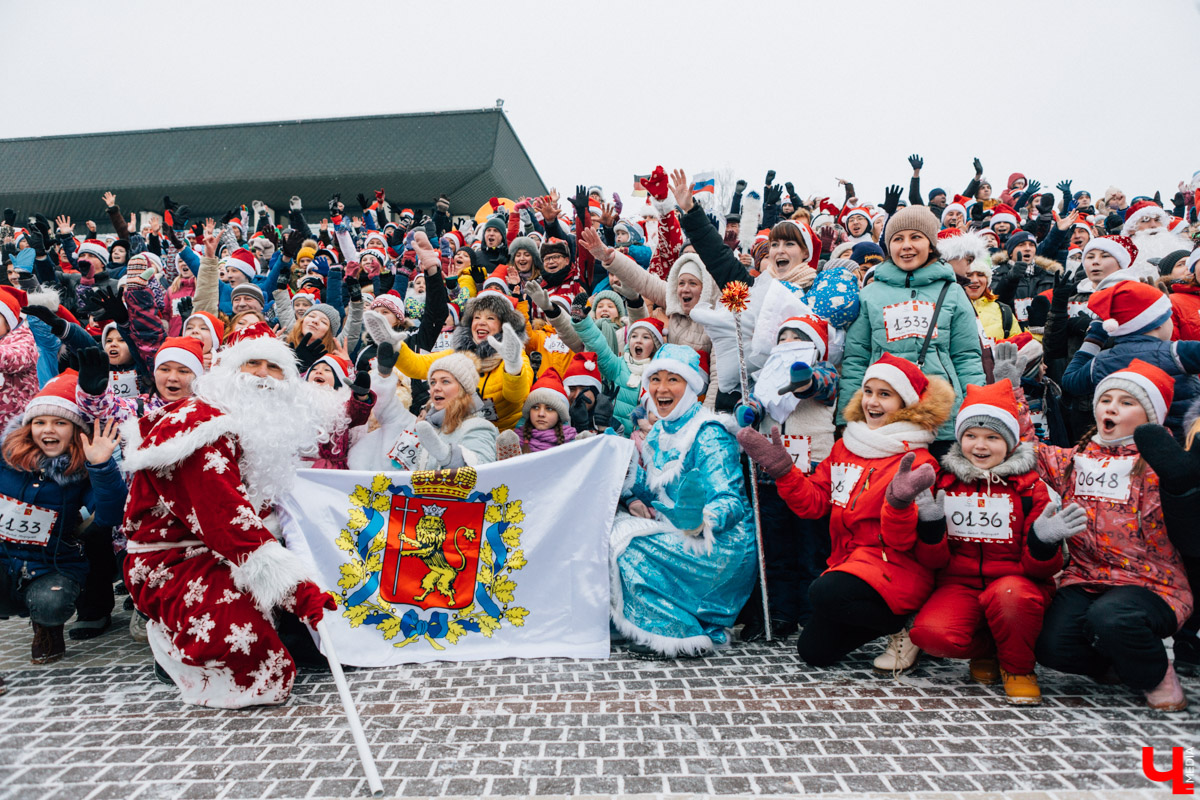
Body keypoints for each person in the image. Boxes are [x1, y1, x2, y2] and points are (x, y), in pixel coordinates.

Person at [119, 322, 336, 708]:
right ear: (226, 373)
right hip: (174, 559)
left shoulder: (252, 430)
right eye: (252, 363)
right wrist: (296, 589)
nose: (264, 377)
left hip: (227, 551)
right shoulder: (204, 426)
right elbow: (227, 519)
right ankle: (174, 642)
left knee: (309, 642)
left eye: (275, 368)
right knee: (260, 668)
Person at [739, 353, 954, 668]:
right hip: (850, 567)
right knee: (814, 652)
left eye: (885, 394)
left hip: (897, 570)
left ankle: (905, 623)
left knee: (823, 593)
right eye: (868, 391)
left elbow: (902, 543)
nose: (872, 402)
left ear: (906, 404)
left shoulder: (917, 462)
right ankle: (887, 623)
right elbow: (813, 505)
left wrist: (897, 505)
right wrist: (784, 471)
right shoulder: (846, 447)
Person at [1033, 360, 1193, 711]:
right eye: (1107, 399)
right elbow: (1025, 446)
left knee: (1111, 617)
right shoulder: (1077, 461)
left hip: (1154, 584)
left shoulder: (1162, 464)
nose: (1112, 408)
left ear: (1150, 415)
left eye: (1126, 402)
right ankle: (1118, 664)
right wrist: (1010, 389)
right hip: (1086, 578)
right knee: (1051, 646)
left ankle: (1156, 676)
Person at [908, 377, 1061, 705]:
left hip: (1016, 585)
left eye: (992, 437)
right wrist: (932, 529)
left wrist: (1043, 542)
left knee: (1009, 597)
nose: (980, 446)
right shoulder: (946, 484)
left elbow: (1040, 570)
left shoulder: (1031, 489)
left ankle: (1018, 668)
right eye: (971, 436)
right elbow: (934, 561)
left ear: (1009, 442)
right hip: (960, 584)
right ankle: (991, 648)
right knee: (928, 635)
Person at [612, 344, 757, 659]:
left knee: (628, 543)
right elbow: (650, 488)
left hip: (718, 546)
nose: (662, 389)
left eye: (673, 380)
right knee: (612, 525)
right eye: (656, 379)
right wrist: (625, 485)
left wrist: (701, 520)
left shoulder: (709, 434)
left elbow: (729, 501)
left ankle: (678, 629)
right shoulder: (660, 431)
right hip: (678, 531)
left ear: (691, 386)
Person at [0, 372, 126, 664]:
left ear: (76, 429)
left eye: (60, 423)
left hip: (52, 564)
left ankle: (47, 627)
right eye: (40, 422)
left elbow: (111, 515)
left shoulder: (83, 469)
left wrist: (103, 467)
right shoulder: (6, 459)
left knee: (51, 602)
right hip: (4, 559)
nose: (48, 430)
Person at [839, 206, 985, 450]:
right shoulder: (870, 294)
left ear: (931, 245)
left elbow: (967, 357)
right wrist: (847, 419)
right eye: (898, 239)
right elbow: (856, 358)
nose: (906, 245)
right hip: (884, 419)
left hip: (942, 421)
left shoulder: (953, 292)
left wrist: (975, 414)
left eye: (915, 237)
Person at [413, 350, 499, 469]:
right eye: (433, 382)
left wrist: (449, 457)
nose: (436, 388)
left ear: (463, 389)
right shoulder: (432, 427)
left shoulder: (479, 426)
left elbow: (483, 472)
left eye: (445, 381)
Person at [515, 368, 577, 453]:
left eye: (549, 409)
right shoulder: (515, 442)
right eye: (536, 407)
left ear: (559, 415)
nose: (541, 414)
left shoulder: (573, 444)